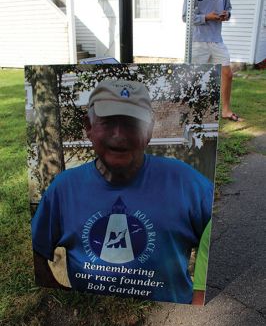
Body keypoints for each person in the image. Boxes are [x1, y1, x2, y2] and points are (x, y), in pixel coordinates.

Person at [32, 79, 214, 304]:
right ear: (88, 127)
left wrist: (199, 299)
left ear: (148, 130)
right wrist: (58, 297)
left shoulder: (188, 183)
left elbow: (219, 245)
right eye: (108, 122)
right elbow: (37, 249)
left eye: (131, 123)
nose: (119, 135)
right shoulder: (64, 188)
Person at [182, 0, 242, 122]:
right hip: (198, 41)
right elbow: (185, 17)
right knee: (195, 77)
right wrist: (206, 17)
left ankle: (226, 110)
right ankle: (191, 110)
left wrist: (226, 15)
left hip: (216, 39)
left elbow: (228, 8)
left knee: (227, 74)